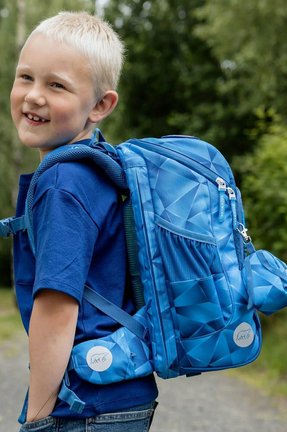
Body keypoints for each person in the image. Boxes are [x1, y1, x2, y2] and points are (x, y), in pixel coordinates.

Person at [10, 11, 158, 432]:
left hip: (84, 404)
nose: (33, 96)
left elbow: (57, 308)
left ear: (100, 105)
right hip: (122, 388)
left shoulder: (63, 182)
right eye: (26, 77)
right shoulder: (101, 167)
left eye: (55, 84)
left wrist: (38, 415)